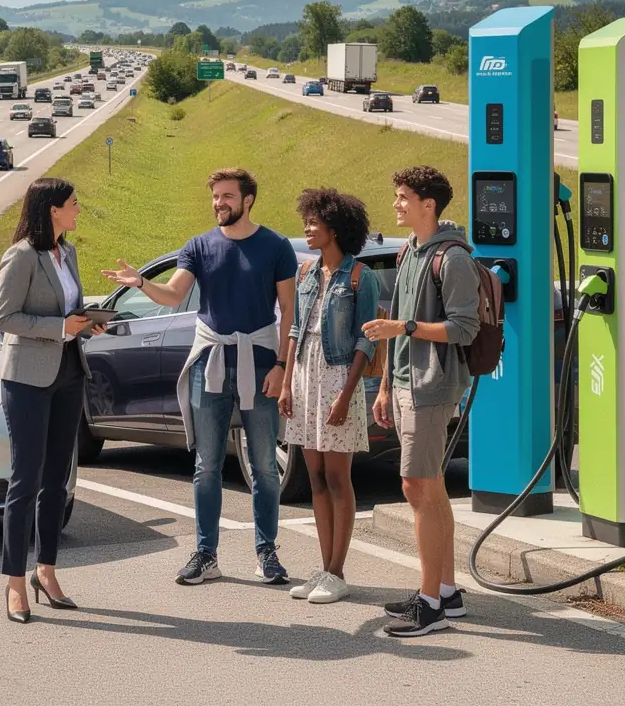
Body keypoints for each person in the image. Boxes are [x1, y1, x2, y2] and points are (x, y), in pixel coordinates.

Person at [102, 168, 297, 586]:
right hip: (209, 361)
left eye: (227, 196)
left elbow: (289, 313)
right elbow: (173, 294)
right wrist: (141, 283)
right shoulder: (199, 246)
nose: (218, 203)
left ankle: (267, 553)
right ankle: (206, 554)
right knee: (206, 464)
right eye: (215, 197)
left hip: (261, 363)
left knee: (264, 466)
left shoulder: (276, 246)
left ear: (248, 200)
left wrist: (282, 367)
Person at [363, 166, 480, 638]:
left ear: (428, 204)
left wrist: (405, 330)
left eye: (403, 197)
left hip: (434, 386)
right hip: (408, 384)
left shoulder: (452, 259)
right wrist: (388, 385)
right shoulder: (409, 250)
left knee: (416, 488)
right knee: (431, 489)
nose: (396, 204)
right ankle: (446, 592)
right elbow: (395, 318)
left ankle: (429, 602)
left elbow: (464, 328)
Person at [0, 177, 105, 623]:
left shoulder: (69, 252)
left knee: (57, 482)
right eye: (74, 204)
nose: (79, 210)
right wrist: (61, 328)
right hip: (27, 378)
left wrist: (86, 324)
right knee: (25, 482)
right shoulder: (20, 256)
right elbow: (6, 317)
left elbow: (67, 309)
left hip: (69, 373)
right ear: (52, 210)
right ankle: (15, 583)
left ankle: (47, 571)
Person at [279, 188, 380, 605]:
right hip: (305, 377)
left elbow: (366, 341)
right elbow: (294, 332)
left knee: (339, 478)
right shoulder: (305, 274)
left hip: (339, 379)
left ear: (335, 229)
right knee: (315, 477)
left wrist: (345, 394)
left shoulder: (361, 277)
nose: (307, 228)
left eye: (314, 223)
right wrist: (286, 384)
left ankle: (338, 572)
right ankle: (324, 569)